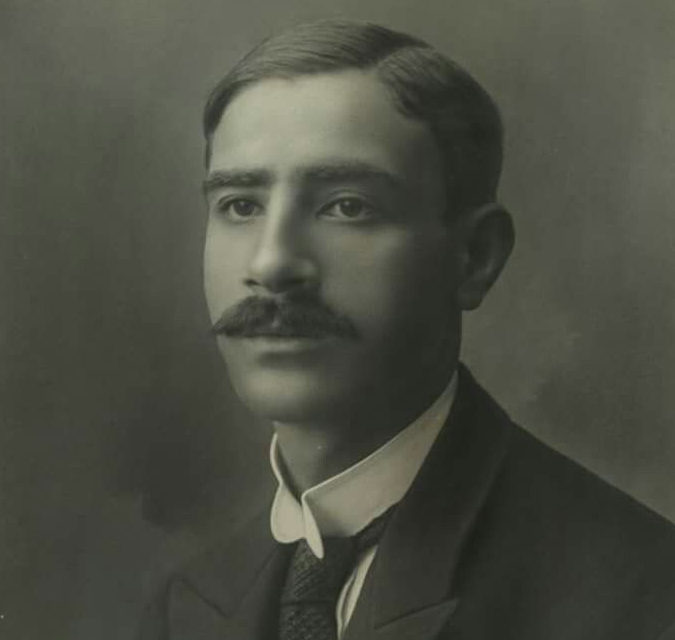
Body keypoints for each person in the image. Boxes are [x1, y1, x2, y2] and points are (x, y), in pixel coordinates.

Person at [137, 19, 675, 640]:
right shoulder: (188, 606)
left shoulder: (641, 598)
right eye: (241, 205)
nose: (273, 262)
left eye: (347, 206)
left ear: (473, 257)